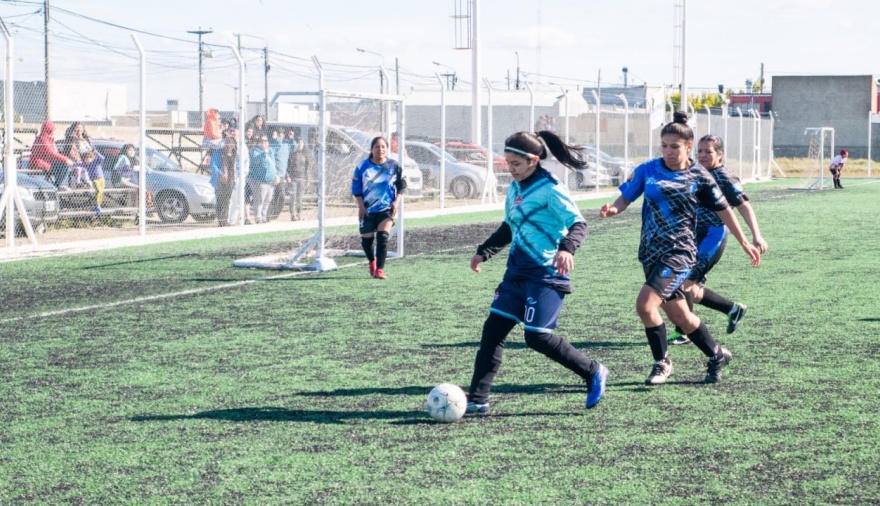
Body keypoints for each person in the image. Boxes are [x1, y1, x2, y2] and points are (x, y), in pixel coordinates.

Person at [599, 111, 761, 385]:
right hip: (651, 250)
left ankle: (662, 363)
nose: (668, 151)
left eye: (675, 146)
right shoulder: (647, 169)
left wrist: (745, 240)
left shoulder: (700, 176)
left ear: (688, 147)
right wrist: (613, 209)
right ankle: (716, 354)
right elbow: (625, 198)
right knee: (680, 315)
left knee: (645, 305)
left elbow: (725, 211)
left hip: (680, 252)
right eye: (664, 145)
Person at [465, 130, 609, 414]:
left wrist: (566, 249)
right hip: (516, 274)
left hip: (546, 275)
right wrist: (485, 250)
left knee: (537, 337)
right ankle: (478, 398)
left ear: (533, 161)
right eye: (507, 163)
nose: (511, 169)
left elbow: (579, 224)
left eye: (516, 163)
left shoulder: (551, 188)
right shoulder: (515, 189)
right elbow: (510, 226)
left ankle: (593, 371)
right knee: (492, 332)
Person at [667, 134, 769, 345]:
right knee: (692, 291)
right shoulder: (695, 172)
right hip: (692, 236)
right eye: (700, 151)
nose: (703, 155)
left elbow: (743, 205)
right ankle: (732, 309)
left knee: (683, 282)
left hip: (713, 235)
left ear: (719, 154)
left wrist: (756, 235)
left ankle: (684, 331)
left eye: (708, 152)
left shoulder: (724, 176)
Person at [351, 136, 407, 280]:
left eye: (383, 147)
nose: (380, 149)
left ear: (387, 149)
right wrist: (361, 206)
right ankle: (372, 262)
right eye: (377, 146)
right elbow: (356, 187)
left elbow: (402, 185)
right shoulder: (362, 166)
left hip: (386, 208)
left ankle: (380, 269)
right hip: (368, 209)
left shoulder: (393, 166)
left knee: (382, 238)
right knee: (367, 240)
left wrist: (396, 202)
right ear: (372, 149)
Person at [27, 121, 73, 187]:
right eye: (52, 130)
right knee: (64, 166)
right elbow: (50, 153)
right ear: (48, 130)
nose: (53, 132)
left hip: (48, 163)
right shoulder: (42, 139)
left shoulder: (49, 139)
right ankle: (55, 186)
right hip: (39, 163)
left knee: (62, 166)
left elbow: (55, 152)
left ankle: (55, 186)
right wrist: (65, 159)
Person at [247, 135, 277, 224]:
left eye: (265, 141)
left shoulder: (270, 151)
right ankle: (258, 218)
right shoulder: (255, 151)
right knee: (259, 201)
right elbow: (255, 161)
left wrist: (276, 175)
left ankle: (264, 217)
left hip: (270, 181)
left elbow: (273, 164)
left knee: (267, 200)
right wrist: (264, 153)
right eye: (261, 141)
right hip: (260, 181)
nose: (264, 143)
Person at [211, 137, 237, 227]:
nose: (230, 145)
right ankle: (220, 221)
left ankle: (225, 220)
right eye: (228, 143)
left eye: (231, 143)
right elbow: (213, 165)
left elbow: (237, 167)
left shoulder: (235, 154)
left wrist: (235, 175)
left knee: (227, 201)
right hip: (220, 181)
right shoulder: (219, 153)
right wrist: (220, 174)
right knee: (220, 200)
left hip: (230, 181)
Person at [287, 137, 309, 221]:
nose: (300, 144)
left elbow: (307, 169)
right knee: (293, 197)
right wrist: (288, 176)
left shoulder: (306, 156)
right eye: (298, 143)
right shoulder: (292, 155)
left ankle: (299, 214)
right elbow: (288, 167)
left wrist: (308, 179)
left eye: (301, 142)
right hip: (293, 179)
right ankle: (293, 215)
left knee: (300, 198)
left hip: (302, 179)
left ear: (303, 144)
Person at [81, 150, 106, 216]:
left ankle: (98, 205)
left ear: (93, 158)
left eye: (90, 157)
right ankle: (97, 205)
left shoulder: (96, 162)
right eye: (86, 158)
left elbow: (102, 158)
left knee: (101, 192)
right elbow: (78, 164)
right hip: (95, 180)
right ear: (84, 159)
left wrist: (97, 153)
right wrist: (72, 164)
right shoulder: (85, 164)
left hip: (101, 179)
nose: (88, 159)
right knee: (99, 191)